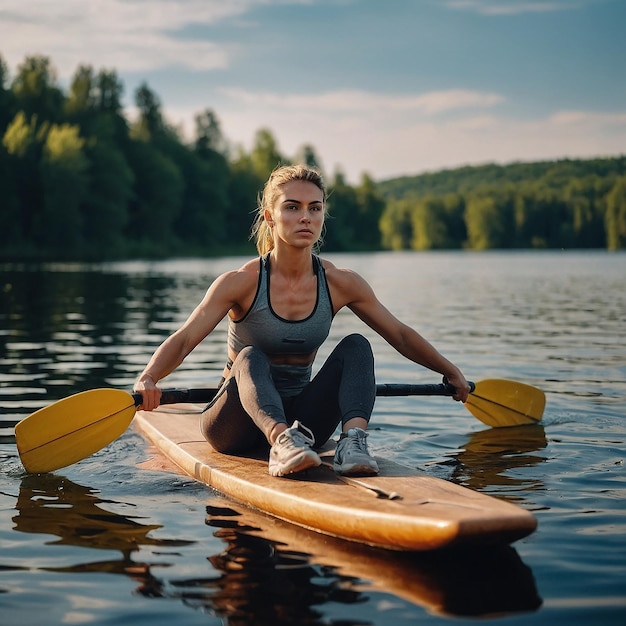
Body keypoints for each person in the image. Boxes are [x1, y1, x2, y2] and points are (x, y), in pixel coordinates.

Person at [134, 164, 470, 478]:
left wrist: (449, 370)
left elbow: (399, 334)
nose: (305, 217)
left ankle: (352, 444)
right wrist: (149, 377)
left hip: (305, 425)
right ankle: (281, 444)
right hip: (233, 425)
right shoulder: (240, 282)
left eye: (315, 208)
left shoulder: (341, 282)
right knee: (250, 356)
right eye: (292, 207)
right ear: (270, 217)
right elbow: (183, 339)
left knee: (357, 346)